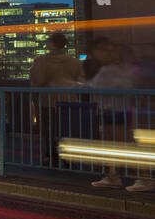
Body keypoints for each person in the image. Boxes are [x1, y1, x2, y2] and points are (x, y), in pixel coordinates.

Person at [87, 41, 150, 191]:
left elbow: (100, 86)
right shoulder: (111, 69)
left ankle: (144, 177)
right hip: (113, 110)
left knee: (124, 144)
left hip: (118, 110)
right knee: (115, 145)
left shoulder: (118, 70)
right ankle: (114, 176)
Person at [29, 32, 83, 167]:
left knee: (49, 130)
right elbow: (81, 80)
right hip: (69, 101)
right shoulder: (74, 62)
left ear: (52, 44)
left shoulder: (41, 61)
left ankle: (51, 156)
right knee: (67, 129)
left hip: (49, 100)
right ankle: (68, 157)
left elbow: (38, 80)